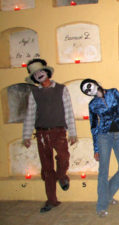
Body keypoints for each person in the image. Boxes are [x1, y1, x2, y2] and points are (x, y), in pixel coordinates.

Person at [23, 58, 77, 213]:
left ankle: (62, 176)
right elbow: (30, 114)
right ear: (33, 78)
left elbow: (68, 111)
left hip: (59, 131)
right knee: (47, 169)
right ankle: (51, 200)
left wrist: (72, 133)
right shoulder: (34, 92)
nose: (39, 75)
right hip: (41, 133)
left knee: (63, 156)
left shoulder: (61, 89)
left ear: (46, 72)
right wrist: (26, 136)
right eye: (35, 74)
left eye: (40, 71)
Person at [80, 79, 119, 217]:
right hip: (104, 137)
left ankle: (107, 195)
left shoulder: (113, 92)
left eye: (89, 86)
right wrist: (96, 149)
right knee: (103, 171)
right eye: (86, 90)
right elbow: (94, 127)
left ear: (96, 83)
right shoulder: (92, 104)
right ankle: (101, 206)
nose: (89, 90)